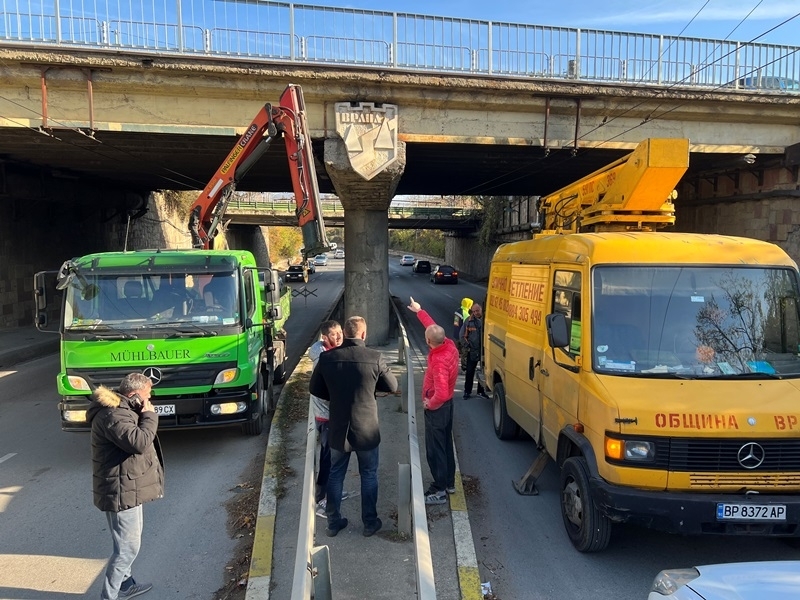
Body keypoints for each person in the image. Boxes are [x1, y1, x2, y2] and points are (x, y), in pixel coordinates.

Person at [309, 316, 398, 538]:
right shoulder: (374, 357)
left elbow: (316, 389)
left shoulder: (327, 359)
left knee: (336, 474)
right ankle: (369, 522)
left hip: (338, 426)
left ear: (345, 333)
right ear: (364, 334)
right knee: (369, 474)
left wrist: (336, 395)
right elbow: (393, 385)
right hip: (367, 428)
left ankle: (333, 522)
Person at [87, 373, 164, 600]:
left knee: (126, 542)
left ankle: (125, 585)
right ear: (135, 395)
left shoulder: (122, 409)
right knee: (127, 548)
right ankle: (108, 596)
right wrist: (149, 415)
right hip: (120, 491)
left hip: (126, 487)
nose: (150, 399)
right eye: (148, 395)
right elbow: (139, 442)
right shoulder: (114, 415)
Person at [407, 296, 459, 505]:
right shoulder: (449, 345)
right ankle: (449, 483)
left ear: (429, 343)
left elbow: (442, 392)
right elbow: (432, 326)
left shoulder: (438, 361)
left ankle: (438, 489)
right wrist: (420, 310)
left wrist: (430, 403)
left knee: (435, 449)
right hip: (448, 407)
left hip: (438, 408)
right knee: (445, 444)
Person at [308, 319, 344, 516]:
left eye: (340, 332)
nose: (338, 337)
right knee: (327, 458)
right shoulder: (323, 360)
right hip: (327, 415)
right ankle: (322, 499)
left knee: (332, 457)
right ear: (325, 338)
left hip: (329, 415)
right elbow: (325, 391)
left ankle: (330, 493)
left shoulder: (323, 351)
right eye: (333, 334)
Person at [460, 303, 488, 399]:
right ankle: (467, 392)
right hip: (472, 351)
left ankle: (481, 391)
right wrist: (468, 346)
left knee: (483, 372)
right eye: (474, 311)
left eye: (477, 311)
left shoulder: (486, 320)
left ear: (481, 310)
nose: (476, 313)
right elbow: (462, 335)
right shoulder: (469, 321)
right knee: (470, 372)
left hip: (484, 351)